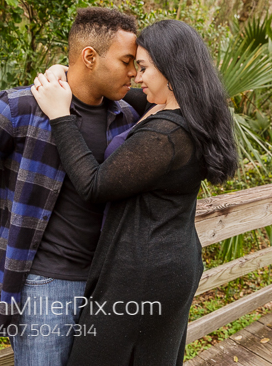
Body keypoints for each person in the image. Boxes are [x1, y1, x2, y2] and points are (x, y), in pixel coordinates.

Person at [0, 7, 147, 366]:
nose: (133, 72)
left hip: (106, 283)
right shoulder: (20, 108)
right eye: (127, 61)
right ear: (89, 57)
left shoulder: (125, 115)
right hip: (43, 287)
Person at [30, 19, 238, 365]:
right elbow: (104, 85)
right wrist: (65, 70)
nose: (136, 78)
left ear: (171, 70)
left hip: (143, 274)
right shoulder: (181, 108)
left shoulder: (167, 135)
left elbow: (94, 185)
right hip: (167, 261)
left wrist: (59, 115)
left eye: (142, 68)